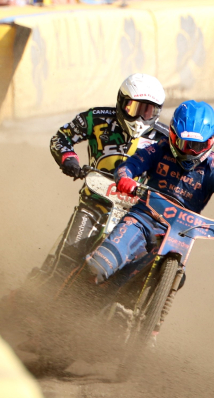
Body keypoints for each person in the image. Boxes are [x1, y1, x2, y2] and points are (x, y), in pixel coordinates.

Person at [84, 100, 214, 284]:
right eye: (184, 144)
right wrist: (125, 178)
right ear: (173, 135)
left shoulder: (213, 166)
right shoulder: (160, 148)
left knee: (178, 278)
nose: (190, 152)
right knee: (100, 264)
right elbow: (130, 165)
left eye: (197, 146)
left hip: (181, 234)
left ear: (211, 141)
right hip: (143, 218)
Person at [47, 73, 167, 278]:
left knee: (146, 264)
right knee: (65, 263)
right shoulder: (96, 117)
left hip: (135, 216)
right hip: (93, 204)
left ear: (157, 112)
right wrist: (69, 160)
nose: (139, 118)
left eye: (147, 111)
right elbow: (61, 137)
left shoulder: (164, 138)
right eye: (134, 108)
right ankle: (42, 290)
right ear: (121, 103)